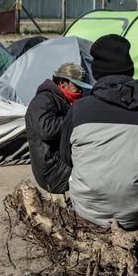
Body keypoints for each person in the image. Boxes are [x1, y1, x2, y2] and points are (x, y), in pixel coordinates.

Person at [59, 34, 138, 229]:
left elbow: (67, 157)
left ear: (96, 73)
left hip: (88, 209)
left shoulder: (79, 109)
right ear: (130, 69)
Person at [25, 62, 92, 194]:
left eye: (82, 86)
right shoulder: (43, 100)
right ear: (62, 83)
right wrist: (76, 119)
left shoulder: (66, 99)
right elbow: (46, 130)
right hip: (53, 170)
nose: (80, 90)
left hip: (62, 161)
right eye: (76, 86)